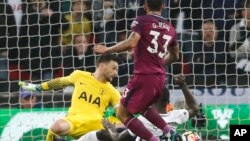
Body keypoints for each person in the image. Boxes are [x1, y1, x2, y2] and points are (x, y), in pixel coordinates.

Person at [93, 0, 180, 140]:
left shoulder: (141, 21)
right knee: (143, 108)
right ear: (163, 6)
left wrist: (106, 49)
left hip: (143, 76)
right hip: (159, 78)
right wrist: (158, 63)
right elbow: (176, 55)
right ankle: (170, 132)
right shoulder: (170, 28)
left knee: (122, 114)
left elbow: (131, 42)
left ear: (145, 6)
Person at [18, 54, 121, 141]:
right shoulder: (79, 75)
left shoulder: (113, 91)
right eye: (114, 68)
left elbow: (121, 112)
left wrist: (116, 121)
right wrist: (38, 87)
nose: (116, 73)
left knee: (120, 129)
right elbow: (59, 82)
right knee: (55, 127)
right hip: (75, 121)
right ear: (102, 66)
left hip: (97, 125)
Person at [78, 74, 199, 141]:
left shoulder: (142, 121)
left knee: (102, 135)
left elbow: (118, 139)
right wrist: (183, 85)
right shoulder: (176, 116)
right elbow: (194, 108)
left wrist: (110, 129)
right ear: (168, 101)